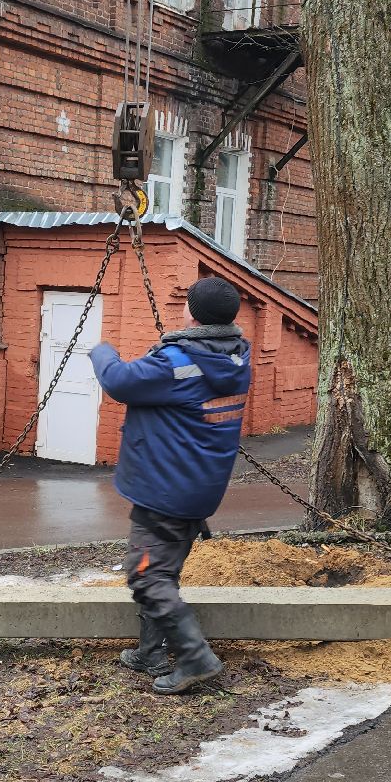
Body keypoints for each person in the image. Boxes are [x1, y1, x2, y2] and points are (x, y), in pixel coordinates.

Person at [89, 276, 252, 694]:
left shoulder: (178, 363)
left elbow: (120, 381)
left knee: (145, 576)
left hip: (165, 491)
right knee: (162, 571)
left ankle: (196, 659)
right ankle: (150, 652)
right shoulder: (236, 356)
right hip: (196, 488)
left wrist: (101, 349)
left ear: (191, 314)